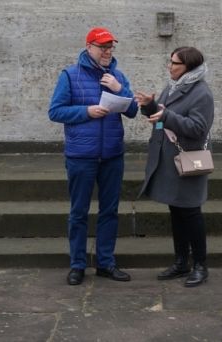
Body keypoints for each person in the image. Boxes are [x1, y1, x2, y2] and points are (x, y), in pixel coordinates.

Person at [48, 27, 138, 286]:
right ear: (89, 47)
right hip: (81, 156)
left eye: (110, 47)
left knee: (109, 211)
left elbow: (132, 111)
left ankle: (106, 263)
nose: (107, 52)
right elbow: (55, 111)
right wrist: (87, 111)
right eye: (102, 47)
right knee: (79, 212)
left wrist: (120, 90)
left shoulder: (118, 76)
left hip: (112, 155)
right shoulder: (70, 75)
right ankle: (77, 265)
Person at [135, 46, 214, 287]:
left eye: (175, 63)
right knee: (177, 211)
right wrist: (149, 106)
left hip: (188, 160)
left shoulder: (201, 93)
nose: (170, 66)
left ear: (188, 67)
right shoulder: (173, 86)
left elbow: (198, 128)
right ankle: (181, 262)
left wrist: (165, 116)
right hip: (169, 161)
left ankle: (200, 265)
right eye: (169, 61)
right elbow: (161, 114)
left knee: (191, 213)